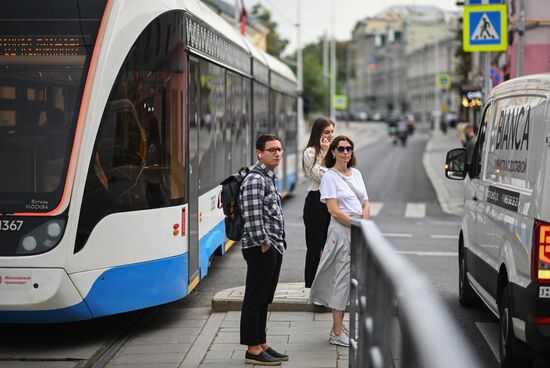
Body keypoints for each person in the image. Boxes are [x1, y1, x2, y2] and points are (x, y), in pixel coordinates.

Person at [309, 135, 370, 347]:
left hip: (357, 229)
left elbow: (365, 202)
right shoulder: (329, 177)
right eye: (341, 148)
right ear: (333, 152)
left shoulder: (357, 174)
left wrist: (365, 222)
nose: (346, 152)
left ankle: (339, 327)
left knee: (354, 280)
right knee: (342, 278)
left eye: (349, 148)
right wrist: (357, 225)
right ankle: (336, 332)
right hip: (342, 230)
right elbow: (334, 211)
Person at [239, 134, 288, 366]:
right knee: (254, 298)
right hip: (261, 248)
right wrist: (264, 242)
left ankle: (262, 342)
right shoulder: (255, 180)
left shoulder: (270, 178)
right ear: (260, 153)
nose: (277, 153)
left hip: (272, 246)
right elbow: (252, 216)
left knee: (264, 298)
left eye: (279, 149)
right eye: (272, 150)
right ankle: (252, 350)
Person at [302, 117, 334, 288]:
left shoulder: (334, 151)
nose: (330, 136)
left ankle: (326, 284)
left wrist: (329, 152)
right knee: (315, 247)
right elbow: (322, 176)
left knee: (331, 247)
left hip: (332, 202)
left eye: (332, 132)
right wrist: (323, 153)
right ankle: (311, 285)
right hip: (316, 201)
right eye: (326, 132)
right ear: (318, 133)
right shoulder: (310, 152)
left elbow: (340, 175)